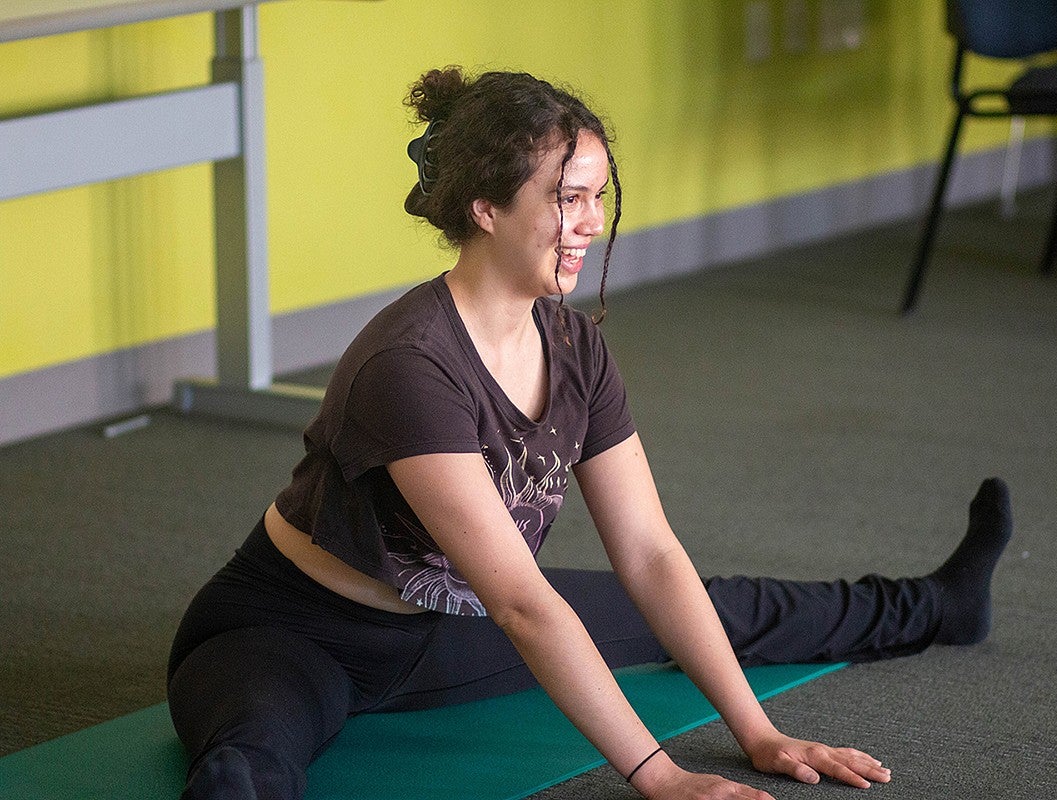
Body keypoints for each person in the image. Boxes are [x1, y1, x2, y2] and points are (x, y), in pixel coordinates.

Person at [166, 67, 1014, 800]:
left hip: (445, 627)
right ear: (486, 207)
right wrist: (660, 774)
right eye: (567, 198)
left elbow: (648, 554)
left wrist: (758, 734)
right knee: (255, 756)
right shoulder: (410, 365)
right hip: (297, 630)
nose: (591, 221)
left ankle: (937, 605)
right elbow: (524, 604)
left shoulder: (575, 347)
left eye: (598, 195)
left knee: (711, 605)